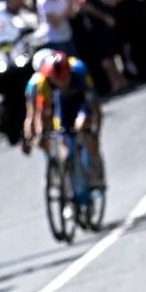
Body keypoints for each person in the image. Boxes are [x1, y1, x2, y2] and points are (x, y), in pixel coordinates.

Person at [39, 51, 106, 194]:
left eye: (65, 78)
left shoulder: (79, 71)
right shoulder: (43, 81)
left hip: (81, 101)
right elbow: (43, 112)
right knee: (64, 142)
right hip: (62, 104)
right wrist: (42, 133)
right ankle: (69, 190)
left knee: (82, 126)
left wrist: (95, 134)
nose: (63, 83)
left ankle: (94, 169)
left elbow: (95, 106)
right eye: (58, 80)